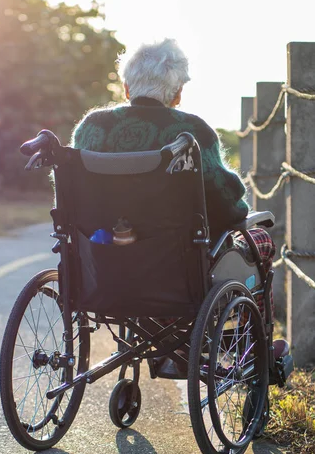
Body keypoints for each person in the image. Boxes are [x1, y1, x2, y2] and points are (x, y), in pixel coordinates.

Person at [70, 38, 288, 374]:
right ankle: (247, 347)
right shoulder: (191, 132)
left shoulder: (91, 128)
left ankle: (170, 344)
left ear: (126, 87)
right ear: (177, 94)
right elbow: (231, 209)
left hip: (102, 270)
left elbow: (73, 195)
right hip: (175, 275)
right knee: (259, 241)